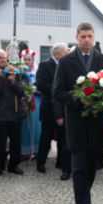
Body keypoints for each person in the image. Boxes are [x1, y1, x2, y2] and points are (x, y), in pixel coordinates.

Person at [53, 22, 103, 204]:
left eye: (90, 36)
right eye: (83, 36)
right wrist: (80, 99)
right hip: (76, 123)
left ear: (94, 36)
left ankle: (84, 196)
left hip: (97, 123)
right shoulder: (66, 61)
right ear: (77, 37)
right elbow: (57, 92)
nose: (87, 39)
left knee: (92, 166)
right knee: (78, 167)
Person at [36, 42, 71, 180]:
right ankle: (41, 162)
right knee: (46, 136)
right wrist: (57, 90)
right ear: (56, 54)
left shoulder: (65, 65)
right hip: (48, 108)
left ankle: (61, 162)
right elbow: (40, 84)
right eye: (64, 52)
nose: (66, 55)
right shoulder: (45, 65)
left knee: (62, 137)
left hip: (62, 108)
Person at [0, 49, 27, 176]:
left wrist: (13, 82)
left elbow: (21, 93)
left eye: (4, 57)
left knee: (16, 142)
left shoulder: (13, 71)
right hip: (1, 115)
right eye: (0, 57)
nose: (3, 59)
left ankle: (13, 165)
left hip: (15, 113)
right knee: (0, 143)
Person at [20, 49, 41, 158]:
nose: (27, 61)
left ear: (33, 60)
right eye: (25, 59)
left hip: (35, 100)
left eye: (29, 59)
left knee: (36, 124)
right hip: (23, 100)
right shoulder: (19, 71)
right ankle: (24, 151)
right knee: (24, 125)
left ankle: (36, 149)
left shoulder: (37, 71)